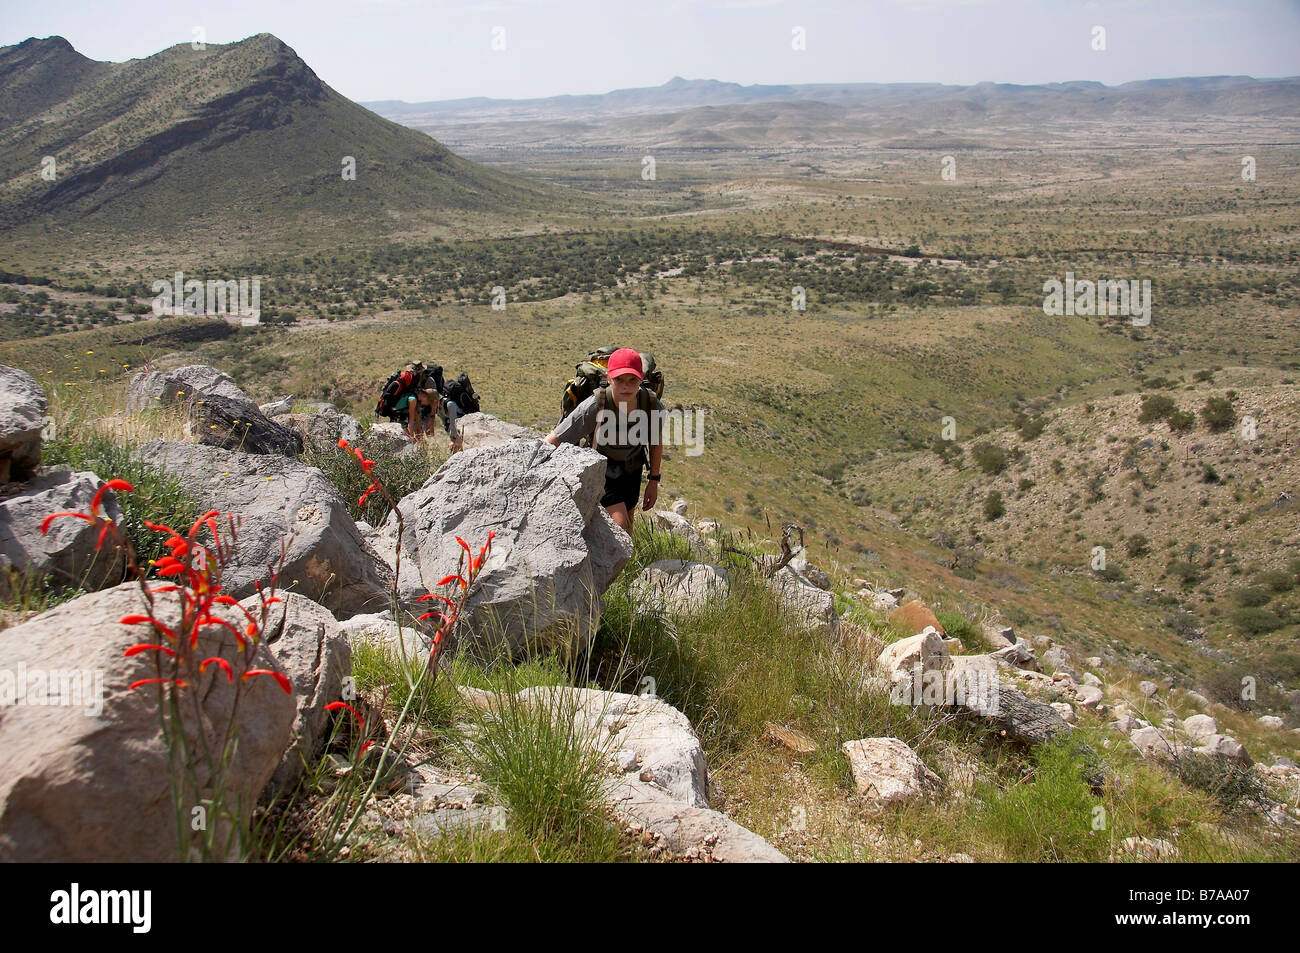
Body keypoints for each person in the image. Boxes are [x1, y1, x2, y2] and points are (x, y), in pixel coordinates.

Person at [544, 347, 663, 533]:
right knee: (620, 527)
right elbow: (557, 437)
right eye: (619, 379)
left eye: (633, 379)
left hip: (632, 472)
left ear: (641, 378)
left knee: (628, 528)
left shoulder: (651, 403)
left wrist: (653, 481)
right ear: (608, 378)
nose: (626, 386)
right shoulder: (597, 404)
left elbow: (656, 442)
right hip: (603, 473)